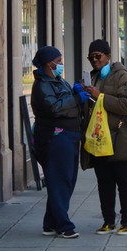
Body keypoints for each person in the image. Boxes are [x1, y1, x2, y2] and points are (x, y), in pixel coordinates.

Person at [74, 39, 127, 235]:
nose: (94, 60)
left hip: (121, 138)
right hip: (99, 139)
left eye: (98, 56)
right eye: (91, 57)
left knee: (125, 183)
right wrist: (81, 96)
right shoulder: (91, 77)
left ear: (107, 56)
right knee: (104, 183)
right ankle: (108, 221)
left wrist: (99, 95)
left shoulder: (122, 76)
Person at [31, 46, 89, 239]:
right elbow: (54, 108)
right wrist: (75, 98)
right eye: (59, 60)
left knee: (66, 180)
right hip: (55, 137)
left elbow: (66, 101)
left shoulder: (57, 80)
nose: (61, 64)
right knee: (60, 181)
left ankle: (50, 223)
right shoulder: (41, 85)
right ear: (50, 63)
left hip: (70, 135)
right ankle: (64, 225)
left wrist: (75, 91)